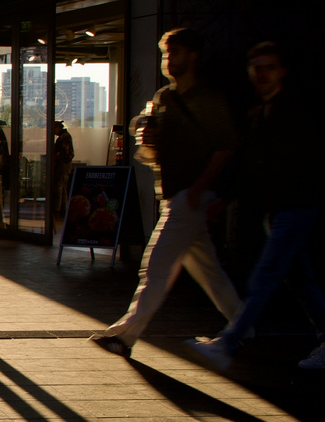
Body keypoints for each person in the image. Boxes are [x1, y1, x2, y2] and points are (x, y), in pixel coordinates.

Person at [187, 43, 325, 371]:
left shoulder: (292, 112)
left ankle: (229, 342)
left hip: (295, 206)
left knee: (268, 273)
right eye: (257, 67)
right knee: (299, 279)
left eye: (269, 67)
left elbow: (316, 162)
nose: (261, 73)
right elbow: (252, 166)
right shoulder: (260, 113)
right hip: (282, 208)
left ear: (282, 72)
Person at [90, 28, 243, 356]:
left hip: (189, 196)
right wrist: (149, 139)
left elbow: (226, 147)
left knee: (155, 266)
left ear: (193, 55)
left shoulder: (207, 99)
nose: (167, 60)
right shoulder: (164, 98)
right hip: (176, 195)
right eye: (164, 53)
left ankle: (125, 335)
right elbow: (152, 144)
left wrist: (199, 188)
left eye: (173, 53)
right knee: (210, 272)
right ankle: (245, 325)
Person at [53, 120, 75, 215]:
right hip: (64, 164)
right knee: (62, 186)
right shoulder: (64, 136)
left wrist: (55, 156)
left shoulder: (64, 137)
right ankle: (62, 208)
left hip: (63, 164)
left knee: (60, 186)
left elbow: (64, 152)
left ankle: (58, 208)